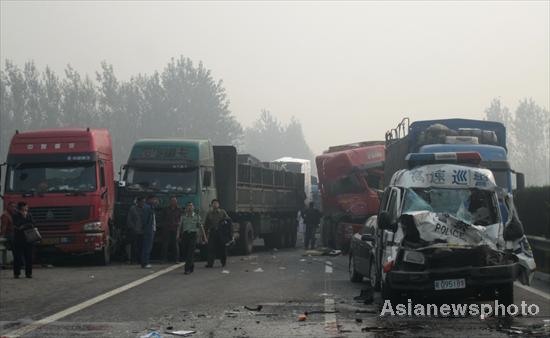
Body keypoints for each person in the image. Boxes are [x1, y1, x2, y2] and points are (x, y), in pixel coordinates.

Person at [12, 202, 36, 278]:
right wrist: (25, 221)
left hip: (29, 239)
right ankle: (17, 273)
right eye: (25, 206)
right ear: (21, 207)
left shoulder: (29, 215)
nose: (27, 208)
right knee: (18, 257)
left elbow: (33, 224)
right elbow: (18, 225)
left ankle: (28, 273)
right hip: (18, 239)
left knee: (29, 257)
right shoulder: (15, 215)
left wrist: (24, 225)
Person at [204, 199, 231, 268]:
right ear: (212, 205)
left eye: (216, 203)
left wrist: (228, 232)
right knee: (211, 248)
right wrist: (204, 234)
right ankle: (210, 263)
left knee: (222, 248)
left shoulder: (222, 212)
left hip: (221, 232)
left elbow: (228, 221)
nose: (215, 204)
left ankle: (223, 262)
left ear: (218, 205)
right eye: (213, 203)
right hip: (213, 232)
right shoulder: (209, 213)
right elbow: (206, 224)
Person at [177, 201, 201, 274]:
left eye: (191, 206)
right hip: (185, 235)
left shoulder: (197, 216)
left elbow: (200, 227)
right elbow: (179, 226)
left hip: (193, 235)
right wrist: (177, 235)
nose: (190, 207)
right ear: (186, 208)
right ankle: (191, 265)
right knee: (185, 252)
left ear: (193, 207)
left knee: (190, 251)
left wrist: (202, 237)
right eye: (188, 206)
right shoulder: (183, 216)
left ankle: (186, 269)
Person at [161, 196, 182, 263]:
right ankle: (163, 259)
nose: (173, 202)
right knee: (165, 245)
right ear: (170, 202)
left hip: (175, 229)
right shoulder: (166, 209)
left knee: (175, 245)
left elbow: (181, 219)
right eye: (172, 200)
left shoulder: (179, 209)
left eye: (174, 200)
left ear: (176, 202)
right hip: (167, 229)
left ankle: (176, 259)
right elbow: (162, 218)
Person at [126, 196, 146, 264]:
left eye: (144, 202)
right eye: (142, 202)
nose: (143, 203)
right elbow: (129, 220)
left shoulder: (145, 209)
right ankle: (133, 260)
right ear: (138, 202)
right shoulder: (133, 209)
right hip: (134, 230)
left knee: (141, 246)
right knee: (134, 246)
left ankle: (140, 260)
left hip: (143, 231)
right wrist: (133, 228)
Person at [141, 195, 157, 268]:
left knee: (148, 246)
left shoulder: (151, 207)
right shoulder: (146, 207)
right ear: (150, 200)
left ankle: (146, 262)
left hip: (151, 229)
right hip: (148, 229)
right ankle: (145, 263)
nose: (155, 201)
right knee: (147, 246)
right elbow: (145, 219)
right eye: (154, 199)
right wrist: (146, 228)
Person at [1, 202, 17, 268]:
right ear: (8, 207)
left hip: (12, 233)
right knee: (15, 245)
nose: (14, 208)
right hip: (9, 234)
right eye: (12, 207)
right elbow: (4, 227)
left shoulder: (12, 214)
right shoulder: (5, 215)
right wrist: (2, 236)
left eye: (14, 207)